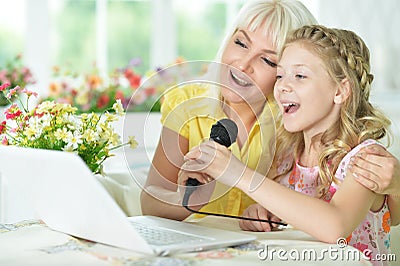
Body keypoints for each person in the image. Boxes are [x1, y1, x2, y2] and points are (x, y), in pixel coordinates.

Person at [180, 25, 398, 264]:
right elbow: (292, 214)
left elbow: (335, 225)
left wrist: (239, 174)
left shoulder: (365, 159)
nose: (282, 86)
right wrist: (260, 215)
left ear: (340, 90)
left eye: (300, 76)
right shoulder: (287, 156)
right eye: (280, 75)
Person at [140, 0, 318, 225]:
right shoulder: (186, 103)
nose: (243, 64)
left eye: (267, 60)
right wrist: (187, 201)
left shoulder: (295, 120)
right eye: (241, 43)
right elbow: (149, 201)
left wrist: (272, 212)